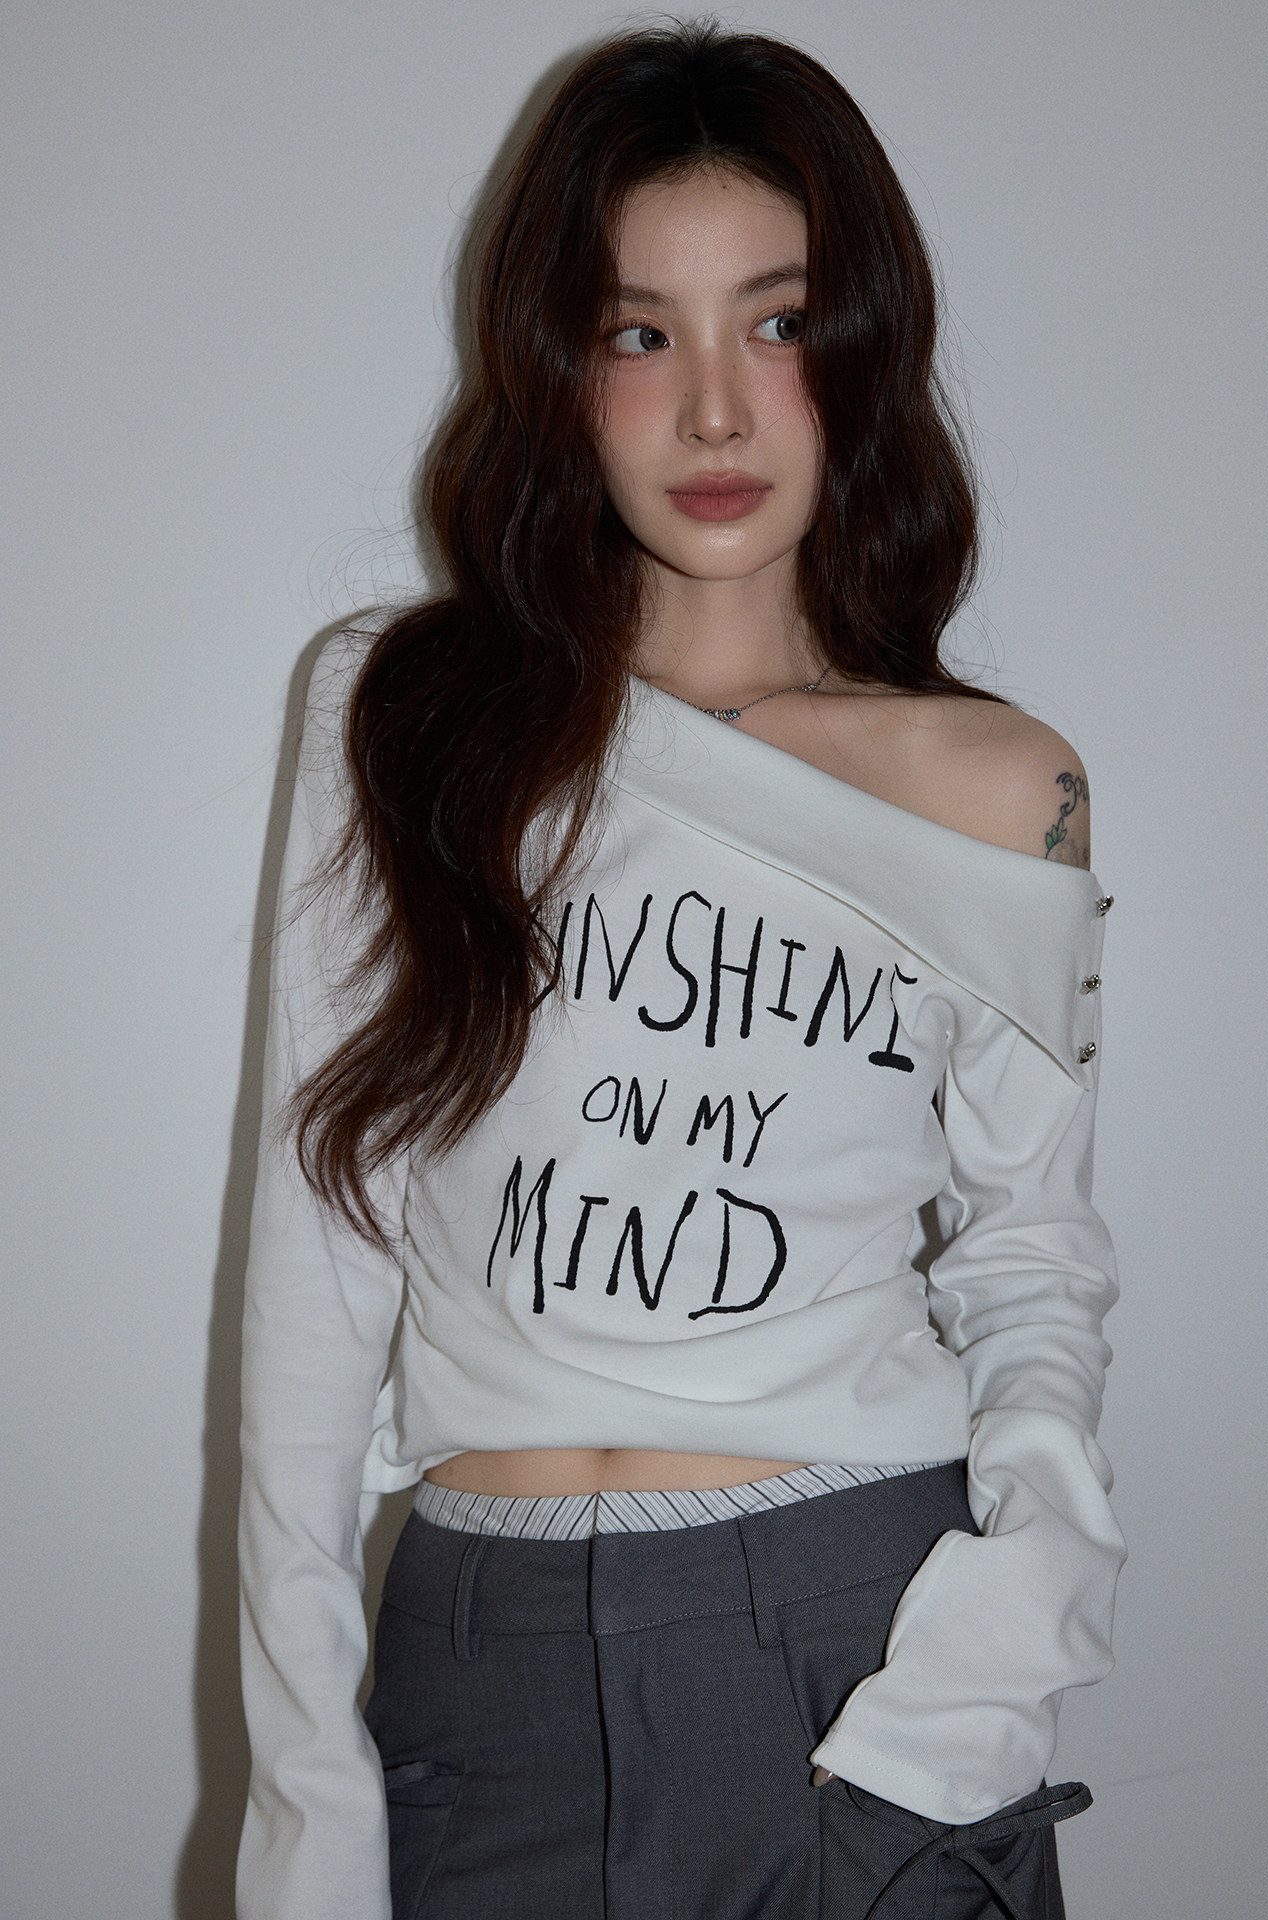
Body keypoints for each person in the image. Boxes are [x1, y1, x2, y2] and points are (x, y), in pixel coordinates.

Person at [237, 21, 1125, 1920]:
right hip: (483, 1677)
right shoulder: (401, 717)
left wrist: (999, 1646)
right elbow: (318, 1259)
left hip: (858, 1646)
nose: (715, 412)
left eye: (779, 324)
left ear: (863, 349)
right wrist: (305, 1811)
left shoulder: (998, 786)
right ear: (557, 371)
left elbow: (1034, 1262)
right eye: (640, 333)